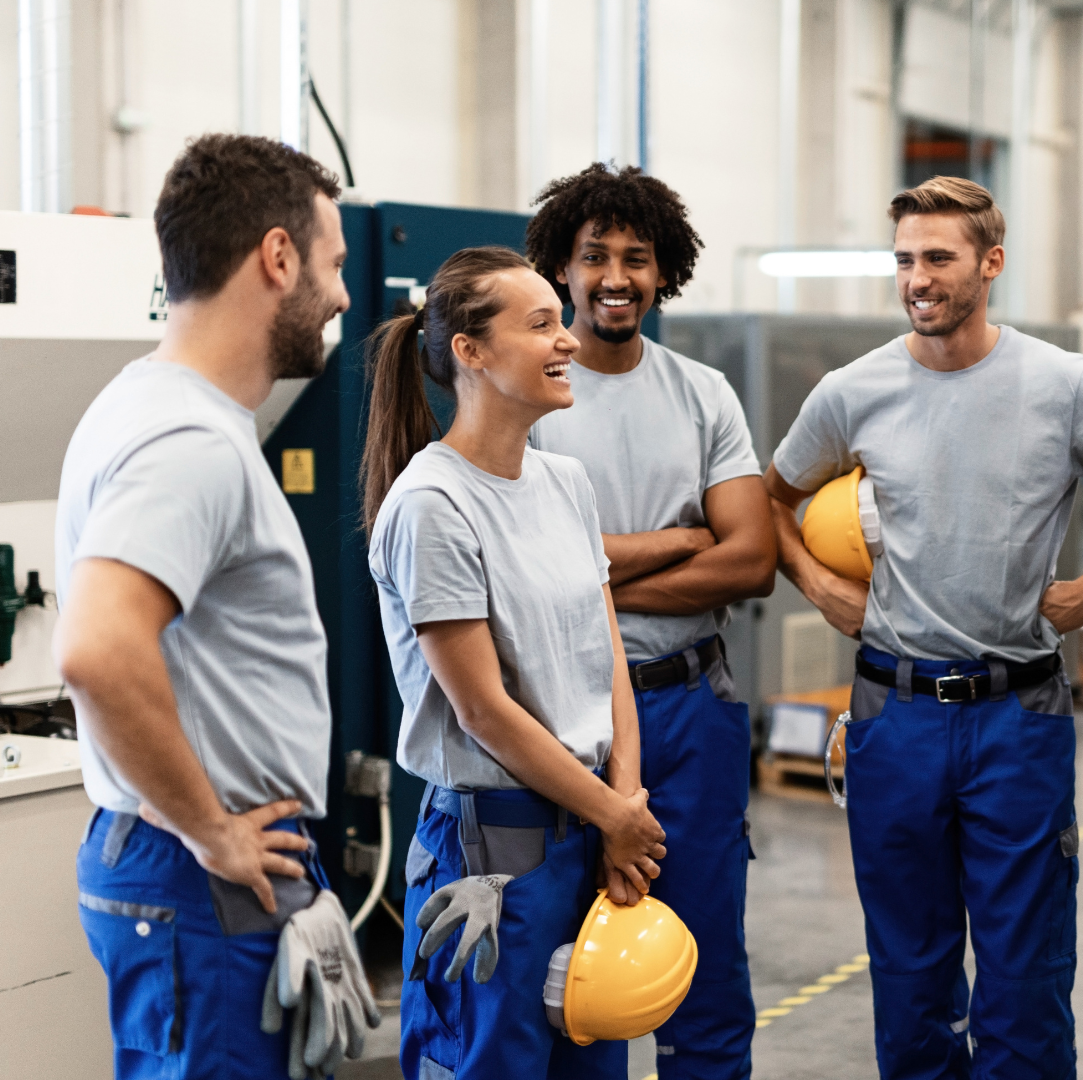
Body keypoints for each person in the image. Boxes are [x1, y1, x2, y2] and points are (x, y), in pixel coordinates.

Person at [765, 176, 1083, 1080]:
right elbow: (771, 498)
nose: (917, 279)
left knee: (1025, 988)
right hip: (892, 715)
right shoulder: (851, 391)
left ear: (991, 263)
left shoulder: (1061, 385)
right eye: (904, 260)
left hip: (1016, 717)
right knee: (910, 985)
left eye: (937, 258)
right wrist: (817, 582)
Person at [53, 133, 376, 1078]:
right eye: (333, 263)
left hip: (180, 870)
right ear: (278, 258)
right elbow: (99, 649)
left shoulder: (144, 404)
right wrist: (211, 827)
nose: (346, 297)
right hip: (197, 878)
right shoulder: (189, 440)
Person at [361, 246, 667, 1080]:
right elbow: (484, 712)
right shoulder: (432, 506)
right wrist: (611, 813)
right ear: (471, 352)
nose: (567, 338)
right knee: (487, 1063)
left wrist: (620, 807)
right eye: (541, 324)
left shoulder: (566, 483)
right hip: (492, 853)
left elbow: (609, 660)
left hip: (588, 835)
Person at [524, 163, 775, 1080]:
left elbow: (749, 559)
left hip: (689, 711)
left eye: (637, 258)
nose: (615, 277)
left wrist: (584, 576)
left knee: (704, 959)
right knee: (565, 971)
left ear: (665, 272)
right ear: (561, 266)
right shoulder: (532, 393)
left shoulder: (702, 392)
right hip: (565, 717)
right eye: (595, 257)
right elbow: (521, 576)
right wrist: (678, 540)